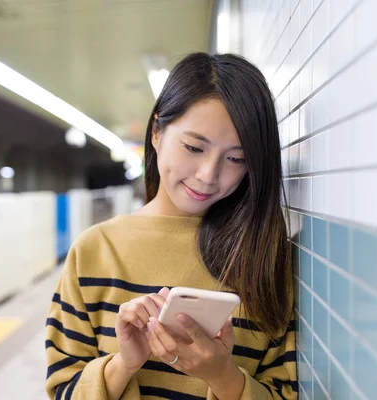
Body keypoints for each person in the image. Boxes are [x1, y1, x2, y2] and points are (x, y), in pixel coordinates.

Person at [45, 52, 297, 400]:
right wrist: (124, 364)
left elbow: (285, 392)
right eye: (194, 147)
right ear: (156, 133)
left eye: (237, 159)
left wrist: (222, 376)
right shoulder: (93, 251)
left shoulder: (265, 256)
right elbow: (62, 390)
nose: (208, 174)